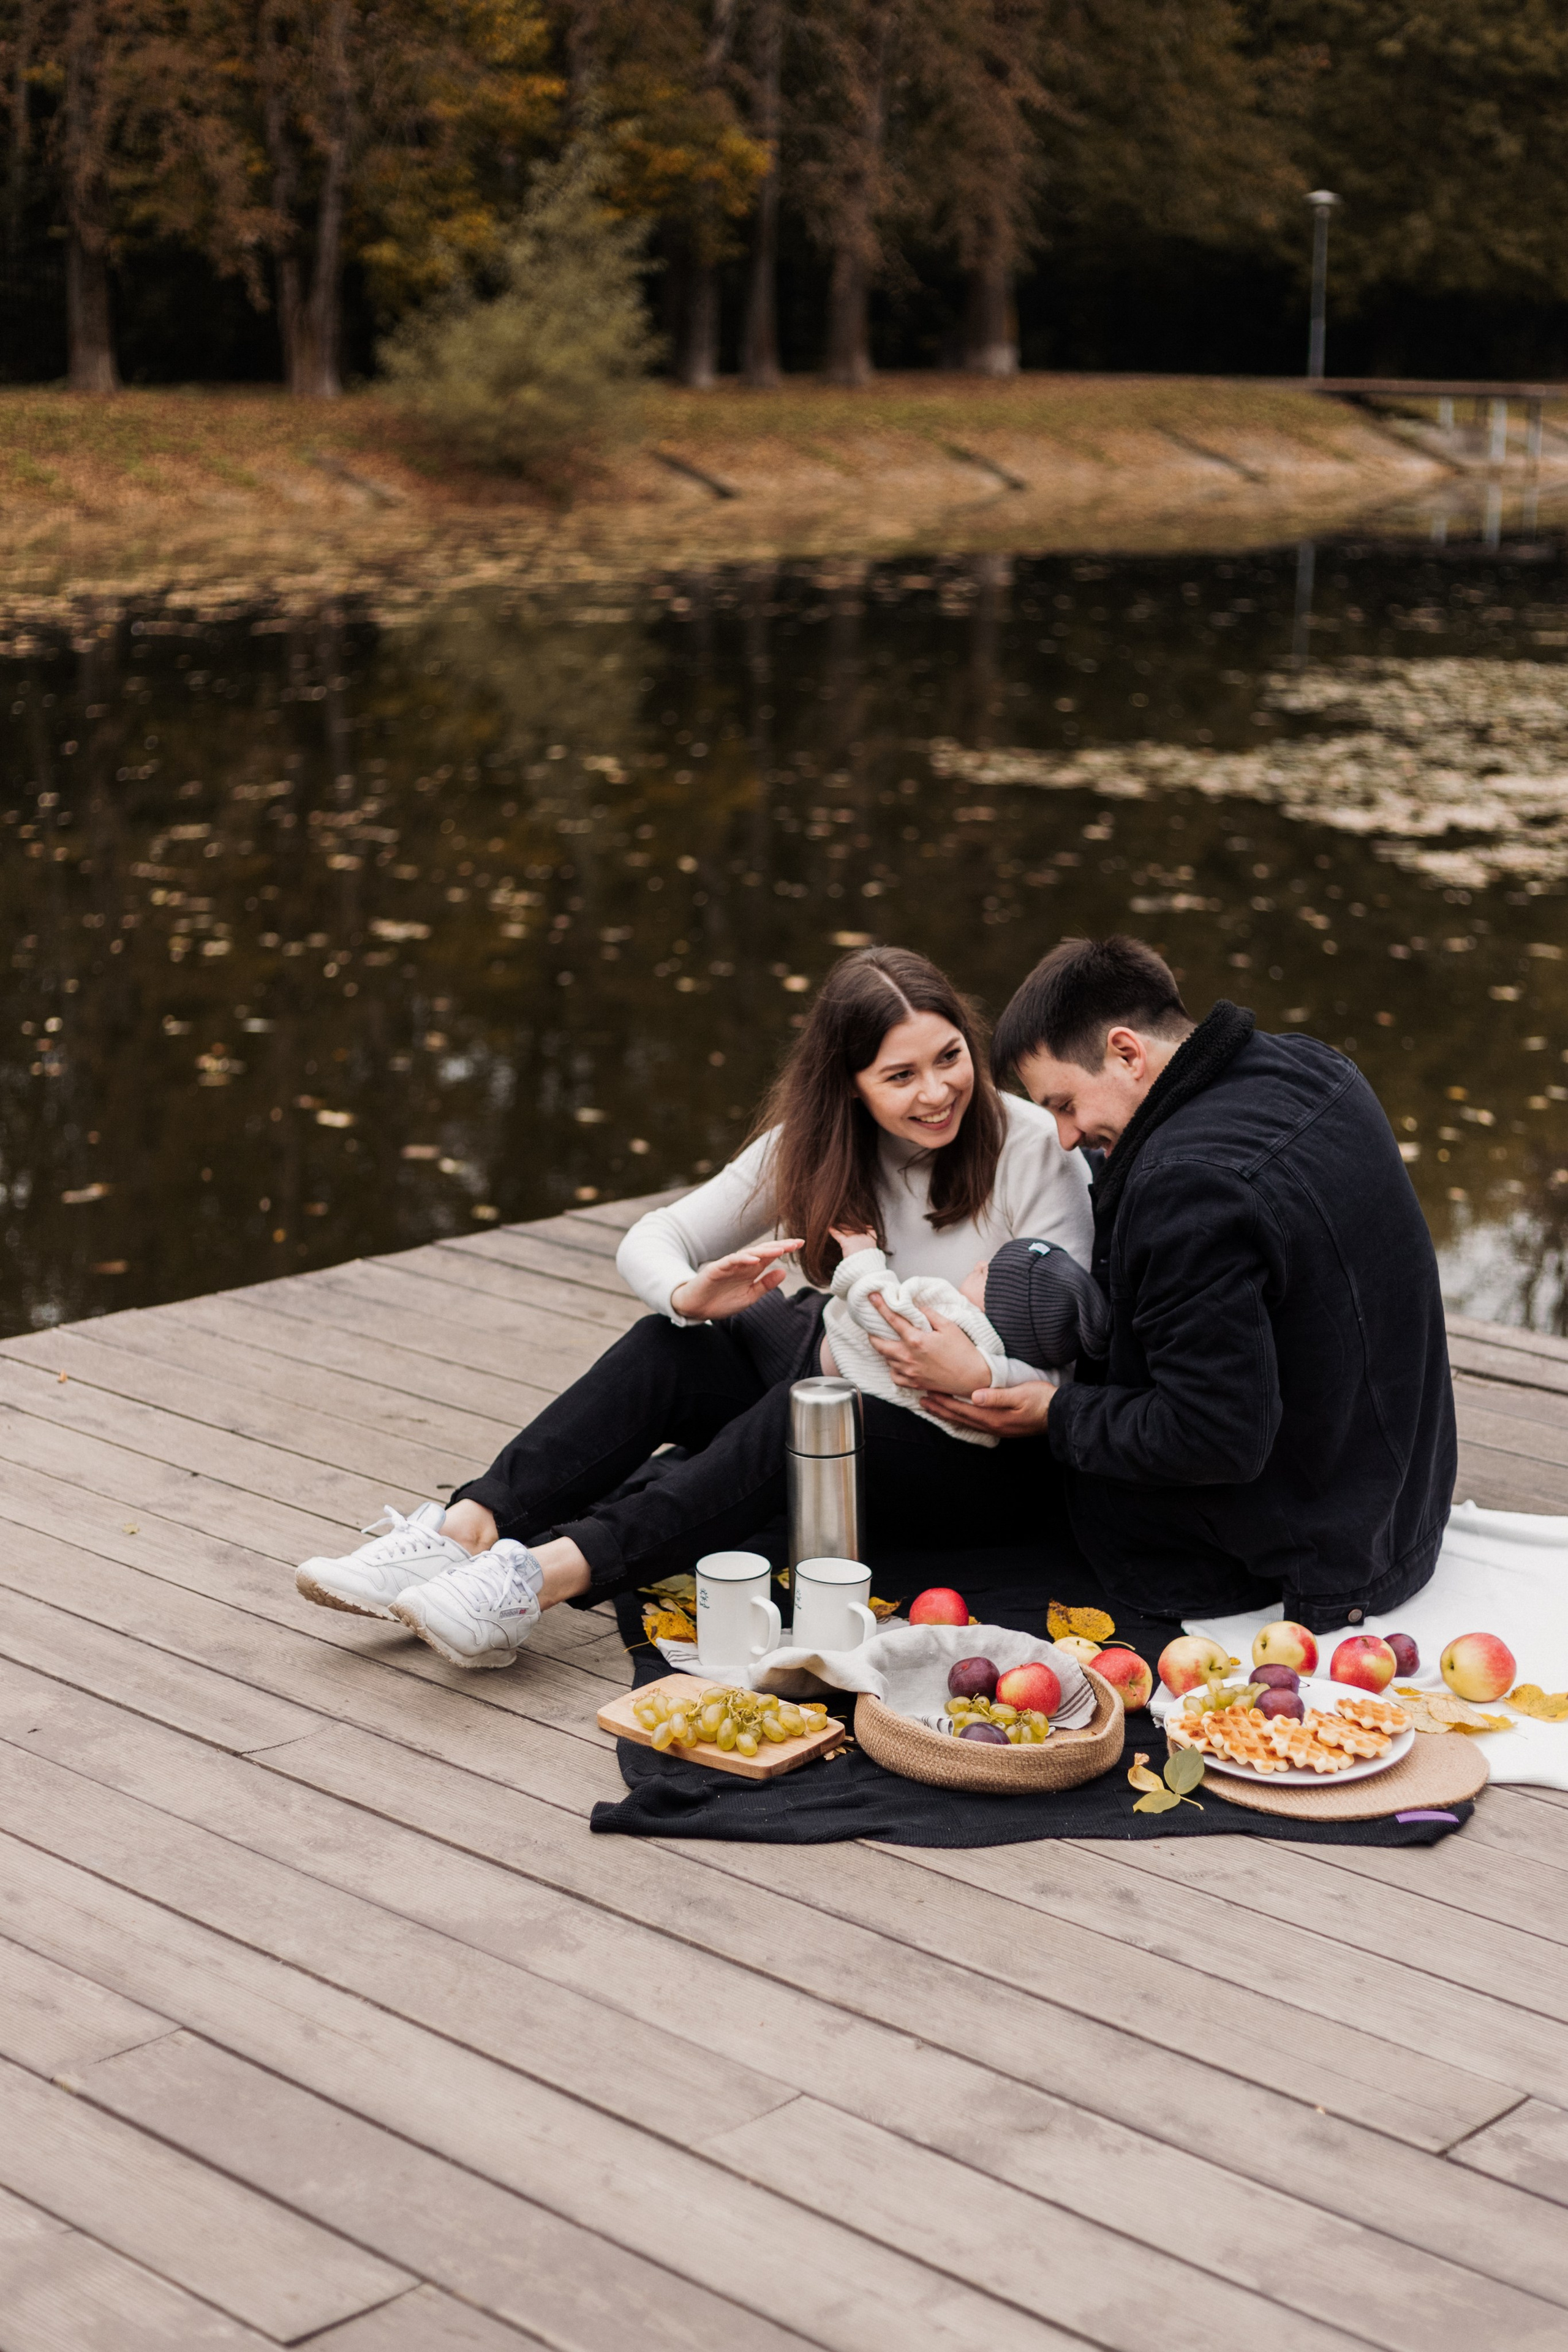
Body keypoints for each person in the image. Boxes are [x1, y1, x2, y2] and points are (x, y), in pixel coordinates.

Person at [294, 946, 1094, 1668]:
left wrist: (974, 1371)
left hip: (978, 1450)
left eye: (950, 1057)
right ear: (849, 1086)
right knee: (671, 1347)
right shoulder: (817, 1144)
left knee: (806, 1413)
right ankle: (463, 1530)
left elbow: (1072, 1338)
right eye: (900, 1076)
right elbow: (659, 1234)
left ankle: (535, 1579)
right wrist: (690, 1291)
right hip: (845, 1367)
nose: (938, 1090)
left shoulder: (1031, 1148)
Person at [923, 934, 1456, 1634]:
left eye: (1063, 1104)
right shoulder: (1313, 1067)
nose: (1061, 1136)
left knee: (936, 1479)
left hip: (1307, 1553)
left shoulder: (1187, 1188)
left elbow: (1214, 1436)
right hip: (1402, 1507)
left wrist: (1055, 1412)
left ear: (1126, 1052)